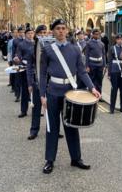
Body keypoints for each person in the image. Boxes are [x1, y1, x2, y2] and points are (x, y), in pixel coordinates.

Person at [39, 19, 101, 174]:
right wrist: (42, 95)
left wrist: (92, 88)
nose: (61, 31)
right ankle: (49, 160)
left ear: (67, 31)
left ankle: (76, 158)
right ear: (53, 31)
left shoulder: (75, 49)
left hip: (70, 93)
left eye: (63, 28)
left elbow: (81, 72)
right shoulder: (47, 50)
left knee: (72, 127)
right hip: (53, 92)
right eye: (58, 28)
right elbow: (42, 74)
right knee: (52, 128)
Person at [13, 27, 33, 118]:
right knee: (25, 91)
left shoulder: (36, 43)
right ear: (25, 34)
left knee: (36, 91)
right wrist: (17, 60)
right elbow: (18, 55)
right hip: (24, 69)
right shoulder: (21, 44)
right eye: (29, 33)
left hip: (34, 70)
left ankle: (36, 110)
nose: (31, 35)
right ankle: (23, 111)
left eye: (32, 33)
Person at [107, 33, 122, 114]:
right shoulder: (112, 48)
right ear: (116, 40)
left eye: (121, 39)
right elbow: (109, 62)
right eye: (118, 39)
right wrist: (109, 73)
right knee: (114, 90)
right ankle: (112, 108)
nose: (120, 40)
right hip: (114, 71)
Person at [12, 27, 26, 102]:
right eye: (20, 32)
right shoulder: (15, 41)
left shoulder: (28, 41)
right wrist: (13, 62)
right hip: (17, 63)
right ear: (18, 33)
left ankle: (27, 96)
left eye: (23, 32)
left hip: (26, 63)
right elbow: (13, 52)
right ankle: (17, 95)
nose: (22, 33)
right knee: (17, 79)